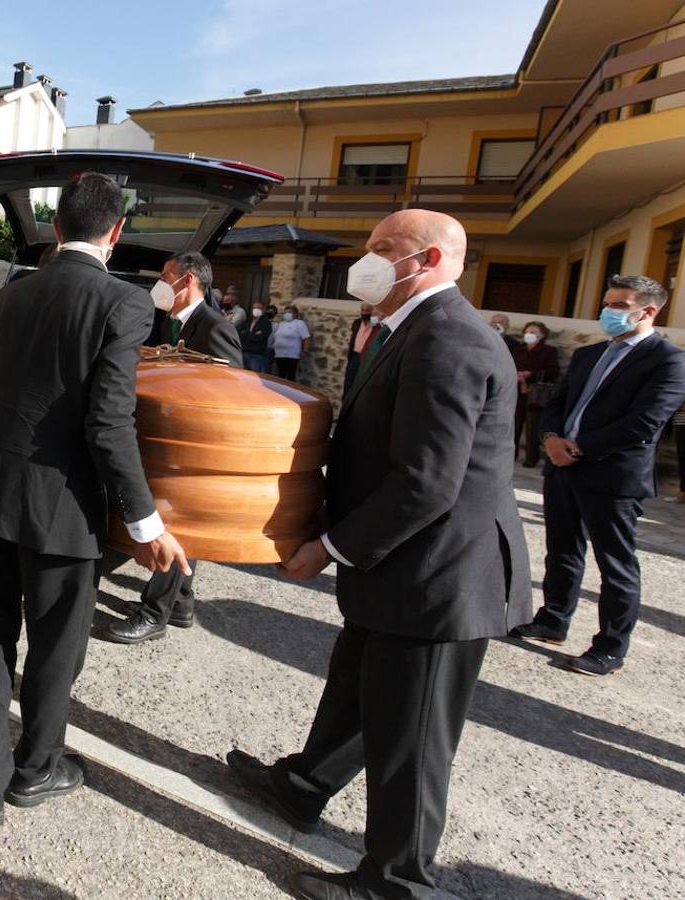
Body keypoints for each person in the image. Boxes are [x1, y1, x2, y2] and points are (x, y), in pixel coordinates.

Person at [227, 209, 530, 900]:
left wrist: (328, 547)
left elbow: (425, 483)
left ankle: (398, 882)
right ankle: (302, 786)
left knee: (411, 740)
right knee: (358, 690)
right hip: (396, 566)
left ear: (424, 259)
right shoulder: (407, 328)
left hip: (437, 578)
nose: (365, 261)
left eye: (380, 250)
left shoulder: (448, 339)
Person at [0, 172, 191, 828]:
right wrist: (144, 521)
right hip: (59, 506)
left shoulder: (16, 293)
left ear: (54, 229)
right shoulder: (124, 303)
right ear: (115, 233)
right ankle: (36, 767)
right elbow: (107, 423)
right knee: (56, 646)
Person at [510, 275, 685, 676]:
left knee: (615, 564)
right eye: (607, 304)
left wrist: (580, 447)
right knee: (562, 549)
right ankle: (553, 619)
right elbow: (557, 402)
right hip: (562, 468)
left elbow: (645, 422)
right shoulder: (590, 355)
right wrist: (552, 438)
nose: (609, 312)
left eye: (620, 306)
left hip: (612, 476)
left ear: (649, 311)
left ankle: (610, 647)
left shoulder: (669, 361)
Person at [99, 250, 240, 645]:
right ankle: (181, 605)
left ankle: (154, 613)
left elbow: (231, 392)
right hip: (167, 441)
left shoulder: (215, 327)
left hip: (194, 447)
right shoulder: (170, 324)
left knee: (175, 525)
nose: (160, 283)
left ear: (188, 280)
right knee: (179, 525)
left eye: (166, 275)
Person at [512, 321, 560, 468]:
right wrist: (517, 375)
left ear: (542, 335)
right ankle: (510, 454)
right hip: (517, 390)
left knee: (533, 426)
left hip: (536, 394)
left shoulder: (548, 351)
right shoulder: (518, 350)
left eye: (533, 332)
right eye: (528, 331)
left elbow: (553, 371)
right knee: (514, 424)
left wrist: (531, 375)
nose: (530, 335)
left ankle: (531, 458)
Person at [342, 303, 380, 397]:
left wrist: (374, 317)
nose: (364, 313)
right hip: (354, 356)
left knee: (360, 383)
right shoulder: (357, 323)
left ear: (372, 311)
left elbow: (377, 326)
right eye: (362, 310)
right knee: (348, 383)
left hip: (367, 357)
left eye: (367, 311)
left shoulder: (375, 323)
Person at [270, 305, 311, 382]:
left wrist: (305, 351)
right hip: (279, 354)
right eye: (285, 313)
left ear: (295, 314)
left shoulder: (299, 323)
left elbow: (306, 338)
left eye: (289, 312)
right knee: (281, 375)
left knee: (290, 376)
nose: (286, 314)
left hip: (291, 355)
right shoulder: (281, 324)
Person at [239, 300, 272, 373]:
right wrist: (252, 334)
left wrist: (247, 334)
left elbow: (260, 337)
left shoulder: (266, 323)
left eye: (258, 308)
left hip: (256, 355)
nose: (256, 310)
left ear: (263, 310)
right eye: (254, 308)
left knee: (255, 376)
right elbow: (241, 334)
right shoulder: (248, 321)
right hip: (244, 353)